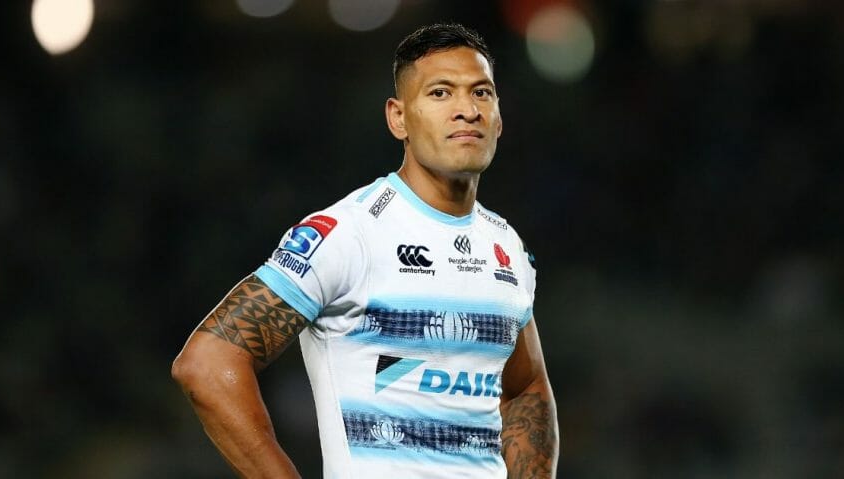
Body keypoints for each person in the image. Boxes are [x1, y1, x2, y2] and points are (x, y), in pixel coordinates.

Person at [172, 23, 559, 478]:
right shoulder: (348, 233)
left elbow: (526, 388)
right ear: (398, 118)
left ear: (497, 117)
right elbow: (207, 363)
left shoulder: (505, 247)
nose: (466, 111)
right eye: (440, 93)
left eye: (481, 93)